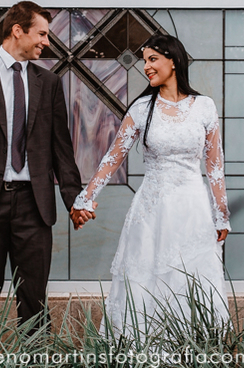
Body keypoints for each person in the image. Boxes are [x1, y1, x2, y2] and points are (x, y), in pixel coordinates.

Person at [70, 33, 231, 333]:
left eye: (153, 59)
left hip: (193, 211)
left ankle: (191, 353)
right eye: (145, 62)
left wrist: (221, 213)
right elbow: (113, 157)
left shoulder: (205, 107)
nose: (146, 67)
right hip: (151, 212)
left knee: (191, 280)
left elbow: (215, 166)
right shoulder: (142, 109)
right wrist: (86, 197)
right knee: (147, 283)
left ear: (174, 60)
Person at [0, 0, 87, 331]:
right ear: (17, 31)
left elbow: (61, 148)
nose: (46, 42)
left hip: (34, 206)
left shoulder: (48, 83)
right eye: (41, 34)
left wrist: (74, 199)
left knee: (35, 304)